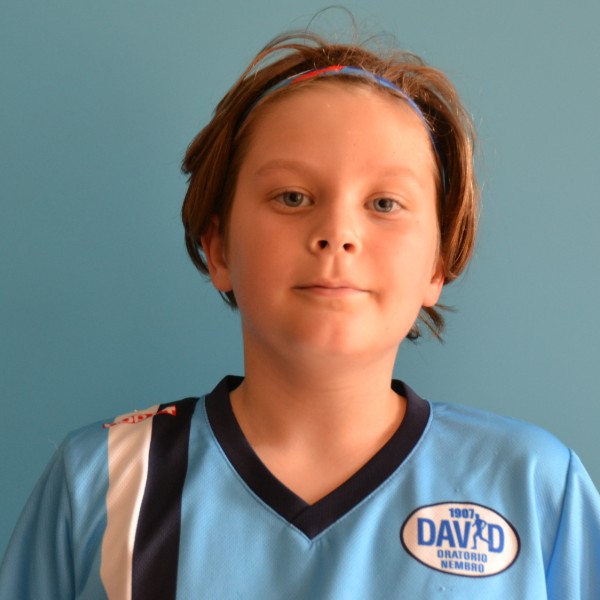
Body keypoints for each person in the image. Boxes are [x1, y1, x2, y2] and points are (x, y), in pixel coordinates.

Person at [1, 29, 599, 599]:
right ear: (218, 250)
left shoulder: (533, 484)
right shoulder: (102, 479)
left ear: (438, 266)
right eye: (292, 197)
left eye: (384, 203)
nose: (337, 232)